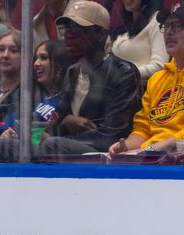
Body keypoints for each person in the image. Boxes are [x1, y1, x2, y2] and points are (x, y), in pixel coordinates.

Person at [109, 1, 184, 156]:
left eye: (177, 26)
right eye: (166, 26)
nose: (169, 32)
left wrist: (149, 150)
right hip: (151, 157)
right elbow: (142, 129)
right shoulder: (157, 79)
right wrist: (126, 146)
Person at [41, 1, 141, 156]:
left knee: (51, 145)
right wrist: (67, 120)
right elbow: (57, 121)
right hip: (63, 145)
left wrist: (61, 134)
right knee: (3, 141)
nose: (68, 35)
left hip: (101, 152)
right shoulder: (72, 72)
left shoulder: (123, 72)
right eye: (65, 29)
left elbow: (112, 135)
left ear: (101, 34)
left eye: (76, 29)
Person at [0, 39, 72, 162]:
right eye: (36, 58)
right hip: (14, 146)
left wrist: (39, 137)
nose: (36, 63)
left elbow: (56, 136)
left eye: (43, 58)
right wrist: (6, 133)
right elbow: (8, 125)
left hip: (39, 157)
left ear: (58, 65)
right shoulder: (34, 95)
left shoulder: (65, 100)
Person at [110, 0, 166, 85]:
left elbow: (159, 66)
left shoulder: (157, 21)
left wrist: (124, 74)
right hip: (117, 87)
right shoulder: (126, 22)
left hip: (142, 92)